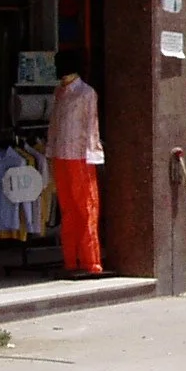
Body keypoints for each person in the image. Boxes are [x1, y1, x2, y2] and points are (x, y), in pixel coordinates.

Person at [48, 48, 104, 275]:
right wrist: (51, 150)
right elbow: (54, 124)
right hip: (61, 154)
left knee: (86, 208)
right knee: (68, 209)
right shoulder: (59, 92)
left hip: (81, 156)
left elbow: (92, 126)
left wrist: (93, 153)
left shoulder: (86, 93)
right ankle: (70, 259)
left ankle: (91, 262)